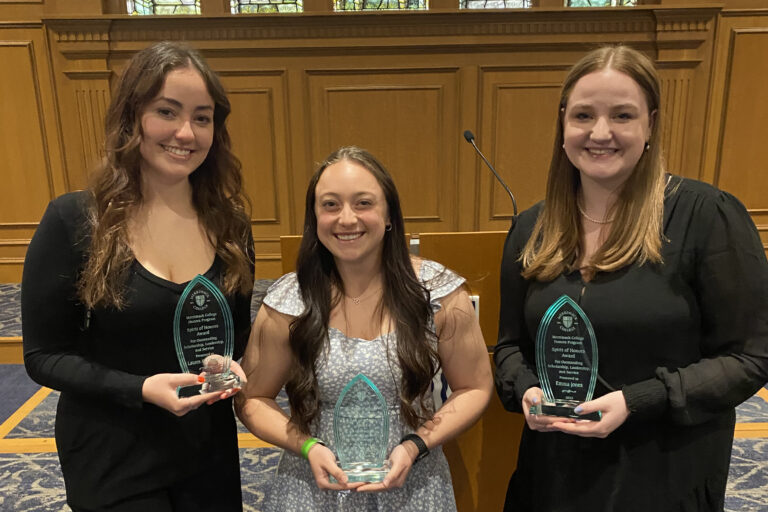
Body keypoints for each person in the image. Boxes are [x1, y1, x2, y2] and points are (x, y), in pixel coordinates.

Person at [494, 45, 768, 512]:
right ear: (563, 125)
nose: (600, 133)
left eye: (622, 115)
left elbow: (751, 356)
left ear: (651, 126)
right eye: (584, 115)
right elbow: (508, 347)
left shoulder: (705, 217)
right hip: (555, 472)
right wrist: (526, 389)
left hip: (660, 470)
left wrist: (639, 400)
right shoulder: (532, 229)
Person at [22, 42, 254, 511]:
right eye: (167, 112)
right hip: (113, 451)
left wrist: (231, 366)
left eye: (203, 117)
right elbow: (44, 355)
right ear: (132, 118)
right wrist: (139, 388)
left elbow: (237, 335)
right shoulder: (75, 219)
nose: (186, 133)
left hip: (205, 449)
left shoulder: (230, 225)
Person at [235, 146, 493, 511]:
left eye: (363, 203)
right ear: (314, 217)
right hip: (312, 489)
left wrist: (415, 444)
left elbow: (474, 387)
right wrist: (307, 447)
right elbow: (253, 398)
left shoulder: (438, 293)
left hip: (414, 485)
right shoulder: (290, 300)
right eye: (330, 205)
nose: (346, 219)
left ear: (389, 215)